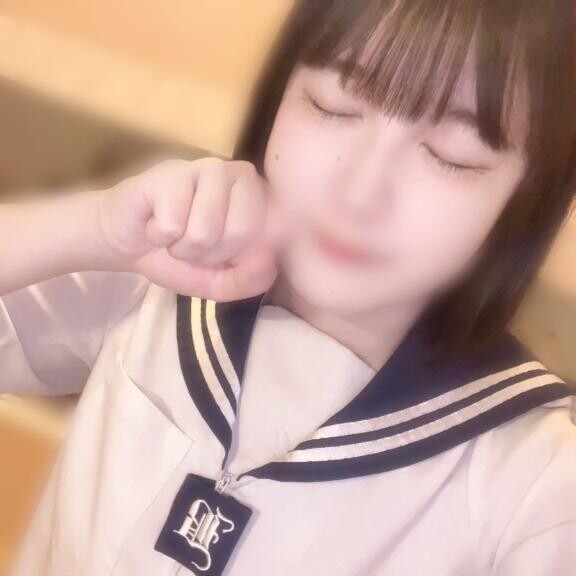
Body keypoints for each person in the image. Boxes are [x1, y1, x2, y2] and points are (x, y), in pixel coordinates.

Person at [1, 1, 575, 574]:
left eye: (452, 156)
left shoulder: (536, 486)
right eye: (334, 106)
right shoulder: (158, 278)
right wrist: (94, 229)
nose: (360, 192)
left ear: (529, 200)